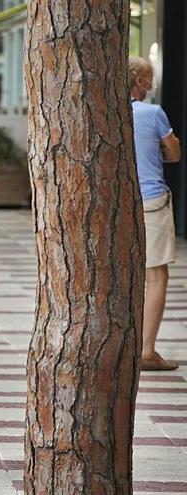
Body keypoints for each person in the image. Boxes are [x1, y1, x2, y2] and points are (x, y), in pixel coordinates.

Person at [129, 56, 182, 371]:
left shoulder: (110, 112)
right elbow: (174, 152)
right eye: (149, 78)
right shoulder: (153, 113)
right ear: (139, 81)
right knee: (156, 274)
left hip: (122, 201)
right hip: (152, 200)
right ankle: (146, 350)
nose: (152, 85)